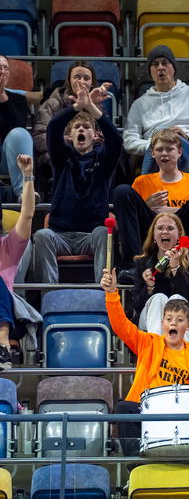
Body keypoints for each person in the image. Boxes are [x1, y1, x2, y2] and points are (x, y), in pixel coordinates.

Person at [101, 267, 189, 456]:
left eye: (179, 320)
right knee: (123, 408)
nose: (173, 323)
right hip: (150, 408)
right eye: (169, 319)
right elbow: (121, 326)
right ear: (163, 324)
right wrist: (112, 294)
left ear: (188, 326)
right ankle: (136, 462)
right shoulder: (148, 343)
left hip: (184, 412)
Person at [32, 85, 119, 284]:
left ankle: (103, 292)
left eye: (86, 127)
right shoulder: (62, 158)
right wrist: (76, 107)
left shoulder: (103, 159)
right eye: (77, 127)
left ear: (95, 135)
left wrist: (92, 108)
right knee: (42, 235)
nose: (81, 129)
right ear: (69, 136)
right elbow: (53, 128)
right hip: (59, 235)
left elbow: (115, 139)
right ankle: (48, 295)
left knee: (102, 233)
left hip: (90, 236)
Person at [111, 128, 189, 268]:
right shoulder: (141, 181)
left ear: (180, 152)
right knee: (122, 191)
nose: (164, 154)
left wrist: (168, 211)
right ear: (152, 153)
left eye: (169, 149)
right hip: (151, 227)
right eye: (159, 150)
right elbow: (134, 217)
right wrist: (147, 205)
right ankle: (133, 265)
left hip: (183, 227)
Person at [123, 46, 189, 174]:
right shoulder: (139, 104)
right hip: (154, 155)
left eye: (165, 63)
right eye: (155, 64)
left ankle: (180, 184)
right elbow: (129, 141)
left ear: (173, 68)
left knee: (176, 141)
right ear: (150, 72)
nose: (160, 67)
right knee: (160, 145)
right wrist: (155, 143)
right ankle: (152, 184)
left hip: (187, 151)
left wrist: (187, 136)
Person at [125, 213, 189, 345]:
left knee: (176, 299)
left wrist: (175, 267)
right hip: (151, 315)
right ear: (154, 236)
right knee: (158, 298)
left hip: (186, 315)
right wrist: (149, 287)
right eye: (160, 228)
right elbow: (137, 306)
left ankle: (183, 355)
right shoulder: (142, 262)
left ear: (179, 235)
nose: (165, 232)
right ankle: (157, 350)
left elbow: (188, 295)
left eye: (170, 228)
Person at [33, 60, 101, 166]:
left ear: (92, 83)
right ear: (69, 80)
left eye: (86, 78)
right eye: (77, 77)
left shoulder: (97, 107)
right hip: (60, 154)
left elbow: (106, 137)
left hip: (89, 154)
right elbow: (39, 139)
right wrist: (70, 141)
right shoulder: (52, 104)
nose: (81, 82)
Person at [0, 151, 33, 368]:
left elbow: (27, 215)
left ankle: (2, 345)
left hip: (7, 316)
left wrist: (27, 176)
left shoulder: (8, 247)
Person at [0, 54, 34, 197]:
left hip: (7, 157)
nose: (2, 71)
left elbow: (16, 126)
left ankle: (25, 193)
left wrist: (2, 96)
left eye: (5, 68)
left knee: (19, 133)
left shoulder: (18, 99)